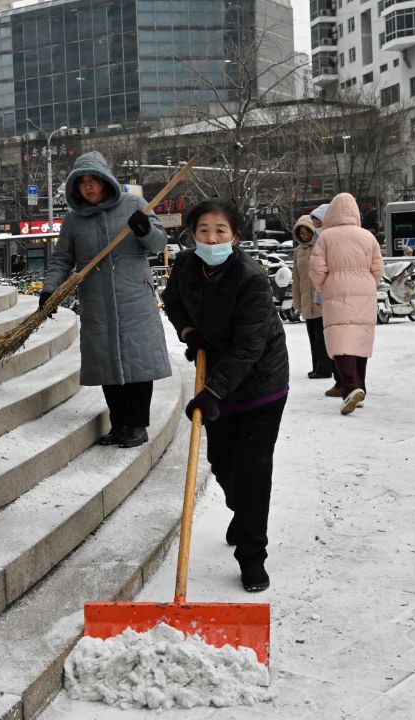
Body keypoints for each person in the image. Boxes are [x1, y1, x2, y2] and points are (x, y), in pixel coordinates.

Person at [161, 198, 289, 593]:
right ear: (192, 234)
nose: (211, 237)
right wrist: (188, 333)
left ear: (235, 237)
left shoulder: (250, 278)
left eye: (220, 231)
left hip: (260, 384)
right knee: (220, 462)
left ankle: (252, 555)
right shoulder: (184, 266)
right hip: (216, 374)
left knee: (252, 472)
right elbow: (173, 302)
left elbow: (250, 347)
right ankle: (243, 511)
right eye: (203, 230)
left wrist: (211, 392)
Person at [41, 151, 171, 448]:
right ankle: (119, 424)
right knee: (106, 365)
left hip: (134, 298)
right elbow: (62, 259)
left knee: (137, 363)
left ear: (105, 180)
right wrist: (49, 290)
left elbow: (158, 243)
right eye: (82, 182)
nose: (88, 186)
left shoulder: (135, 205)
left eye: (93, 180)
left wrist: (145, 229)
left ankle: (137, 425)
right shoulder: (74, 220)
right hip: (96, 301)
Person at [308, 192, 382, 415]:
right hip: (365, 291)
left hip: (336, 291)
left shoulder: (326, 237)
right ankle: (361, 386)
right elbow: (378, 269)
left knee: (340, 342)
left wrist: (326, 286)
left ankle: (350, 386)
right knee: (360, 340)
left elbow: (316, 270)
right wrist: (367, 284)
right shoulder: (367, 237)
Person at [291, 214, 332, 380]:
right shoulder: (298, 252)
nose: (304, 236)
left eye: (306, 232)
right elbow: (297, 277)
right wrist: (297, 301)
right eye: (301, 233)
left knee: (322, 337)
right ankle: (316, 366)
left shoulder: (321, 247)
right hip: (307, 300)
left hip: (320, 299)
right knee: (312, 336)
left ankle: (325, 369)